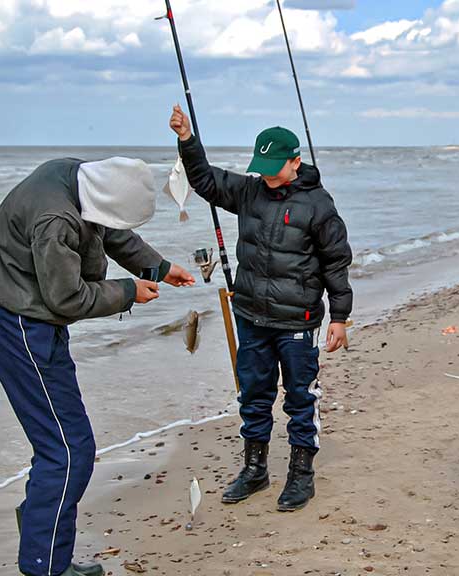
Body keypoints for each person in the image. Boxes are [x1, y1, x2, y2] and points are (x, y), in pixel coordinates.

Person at [0, 155, 195, 576]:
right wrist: (128, 291)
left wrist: (160, 269)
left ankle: (42, 534)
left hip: (28, 319)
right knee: (67, 451)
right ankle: (44, 565)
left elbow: (110, 230)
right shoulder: (55, 220)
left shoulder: (77, 176)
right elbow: (67, 297)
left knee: (64, 445)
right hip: (21, 328)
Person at [169, 104, 352, 512]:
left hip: (298, 320)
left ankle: (301, 474)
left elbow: (336, 262)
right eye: (261, 167)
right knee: (253, 395)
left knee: (301, 398)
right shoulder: (250, 192)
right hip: (251, 315)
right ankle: (255, 470)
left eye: (274, 167)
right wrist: (187, 140)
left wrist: (339, 317)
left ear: (295, 162)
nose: (266, 175)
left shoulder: (318, 205)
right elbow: (205, 180)